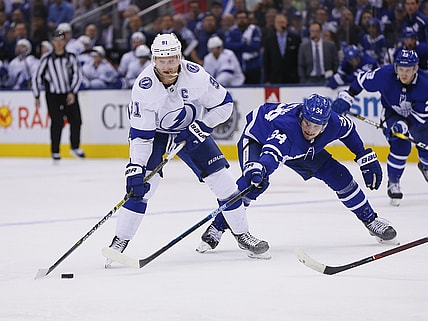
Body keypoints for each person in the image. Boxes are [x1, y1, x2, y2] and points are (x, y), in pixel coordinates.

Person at [104, 33, 270, 267]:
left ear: (179, 57)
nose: (168, 65)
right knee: (141, 188)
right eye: (162, 60)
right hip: (157, 135)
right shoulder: (144, 87)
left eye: (172, 59)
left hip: (192, 130)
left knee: (225, 183)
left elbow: (224, 105)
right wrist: (135, 168)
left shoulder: (196, 76)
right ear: (153, 60)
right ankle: (119, 242)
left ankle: (242, 234)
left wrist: (202, 126)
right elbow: (142, 136)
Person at [199, 94, 398, 251]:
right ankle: (217, 227)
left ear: (326, 124)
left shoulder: (334, 123)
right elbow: (271, 153)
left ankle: (371, 220)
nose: (310, 129)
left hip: (302, 149)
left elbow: (350, 131)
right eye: (307, 123)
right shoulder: (287, 129)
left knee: (340, 176)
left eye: (316, 126)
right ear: (301, 116)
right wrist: (261, 169)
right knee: (253, 184)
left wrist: (362, 155)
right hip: (258, 138)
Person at [331, 49, 428, 206]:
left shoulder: (425, 84)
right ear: (396, 67)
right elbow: (361, 80)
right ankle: (394, 182)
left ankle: (425, 165)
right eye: (401, 69)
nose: (404, 74)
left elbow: (422, 117)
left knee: (425, 144)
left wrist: (404, 125)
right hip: (391, 113)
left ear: (415, 69)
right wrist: (348, 96)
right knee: (401, 146)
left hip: (418, 117)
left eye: (408, 70)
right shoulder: (384, 75)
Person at [32, 30, 85, 161]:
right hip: (53, 95)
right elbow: (37, 77)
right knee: (57, 121)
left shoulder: (71, 56)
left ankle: (75, 146)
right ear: (53, 42)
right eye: (56, 40)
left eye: (61, 40)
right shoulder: (47, 58)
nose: (59, 43)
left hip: (69, 93)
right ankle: (55, 150)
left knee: (76, 120)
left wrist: (73, 91)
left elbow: (78, 74)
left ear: (65, 41)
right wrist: (37, 95)